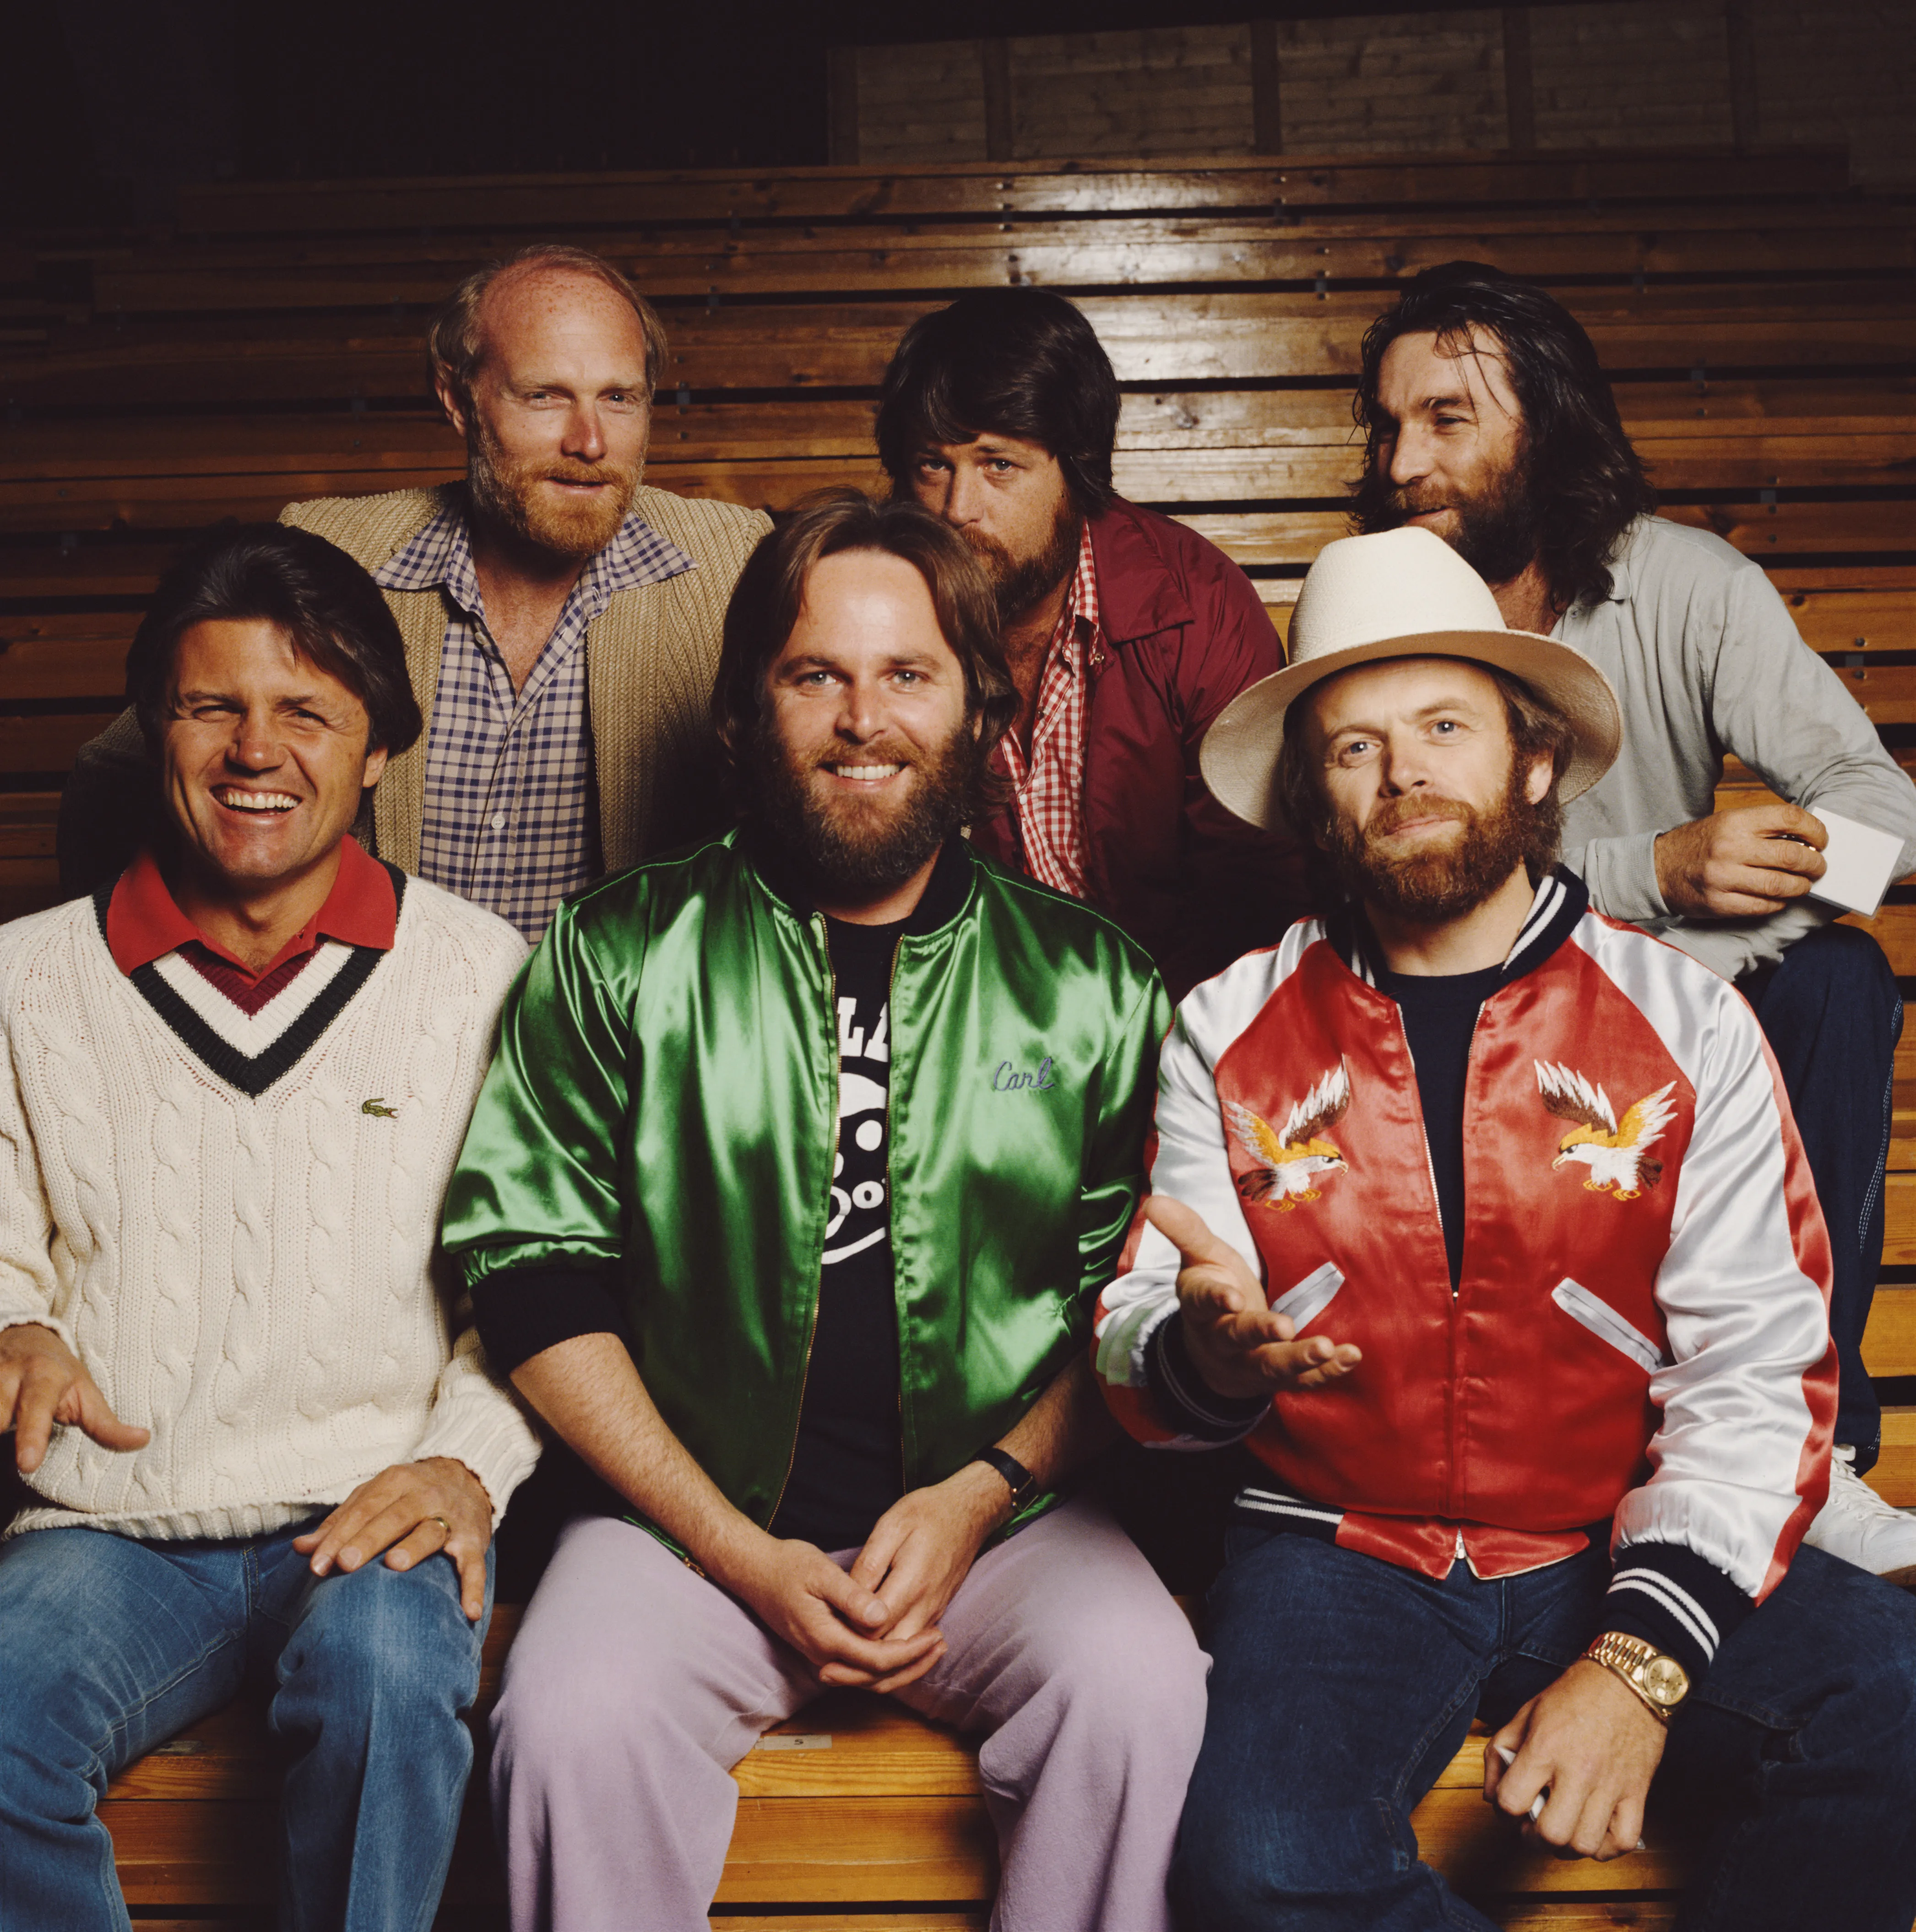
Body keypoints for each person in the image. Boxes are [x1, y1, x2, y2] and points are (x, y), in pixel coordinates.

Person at [1093, 524, 1916, 1932]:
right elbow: (1137, 1336)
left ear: (1532, 759)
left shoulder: (1685, 1023)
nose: (1402, 771)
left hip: (1612, 1523)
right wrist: (1202, 1361)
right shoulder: (1224, 1030)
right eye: (1353, 747)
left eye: (1442, 725)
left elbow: (1760, 1368)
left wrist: (1642, 1657)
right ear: (1315, 799)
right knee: (1258, 1864)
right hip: (1336, 1550)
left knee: (1898, 1710)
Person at [442, 491, 1208, 1932]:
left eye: (908, 674)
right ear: (748, 712)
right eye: (818, 676)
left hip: (1000, 1524)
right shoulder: (620, 949)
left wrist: (979, 1494)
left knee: (1142, 1684)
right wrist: (741, 1552)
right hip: (690, 1527)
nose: (866, 719)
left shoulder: (1097, 984)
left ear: (980, 709)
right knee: (564, 1717)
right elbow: (531, 1275)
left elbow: (1135, 1308)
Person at [0, 525, 539, 1932]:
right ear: (156, 729)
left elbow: (535, 1291)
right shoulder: (24, 978)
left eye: (306, 710)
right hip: (107, 1528)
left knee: (388, 1689)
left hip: (371, 1508)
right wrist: (15, 1326)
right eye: (211, 706)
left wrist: (465, 1465)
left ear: (374, 751)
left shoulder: (482, 975)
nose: (257, 749)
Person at [1350, 260, 1916, 1580]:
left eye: (1445, 419)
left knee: (1841, 981)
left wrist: (1781, 864)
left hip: (1688, 1006)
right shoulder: (1374, 614)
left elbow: (1887, 811)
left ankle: (1803, 1447)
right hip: (1471, 1023)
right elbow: (1379, 894)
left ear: (1541, 426)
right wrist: (1656, 871)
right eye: (1388, 425)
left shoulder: (1688, 585)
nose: (1400, 460)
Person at [59, 244, 771, 942]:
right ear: (458, 398)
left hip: (613, 1047)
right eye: (544, 396)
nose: (588, 441)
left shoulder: (732, 564)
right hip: (375, 1041)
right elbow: (124, 774)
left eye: (618, 399)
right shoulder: (335, 549)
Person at [877, 285, 1303, 1002]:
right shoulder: (880, 615)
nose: (958, 509)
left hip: (1179, 1019)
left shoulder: (1194, 605)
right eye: (933, 465)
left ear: (1076, 470)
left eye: (999, 464)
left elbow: (1255, 888)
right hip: (966, 1021)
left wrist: (1138, 1041)